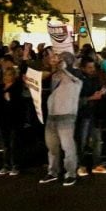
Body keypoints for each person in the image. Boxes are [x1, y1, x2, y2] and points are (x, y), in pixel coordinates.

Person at [40, 51, 82, 187]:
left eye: (62, 59)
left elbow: (75, 76)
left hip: (66, 115)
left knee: (67, 146)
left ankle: (70, 173)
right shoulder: (55, 75)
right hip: (52, 115)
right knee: (52, 147)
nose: (58, 60)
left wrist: (63, 67)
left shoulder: (76, 75)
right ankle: (52, 171)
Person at [0, 66, 25, 176]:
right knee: (5, 144)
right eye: (5, 75)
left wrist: (10, 99)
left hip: (14, 120)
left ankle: (15, 165)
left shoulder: (17, 87)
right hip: (2, 120)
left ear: (14, 76)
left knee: (13, 144)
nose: (7, 77)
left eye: (9, 75)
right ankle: (6, 165)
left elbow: (18, 103)